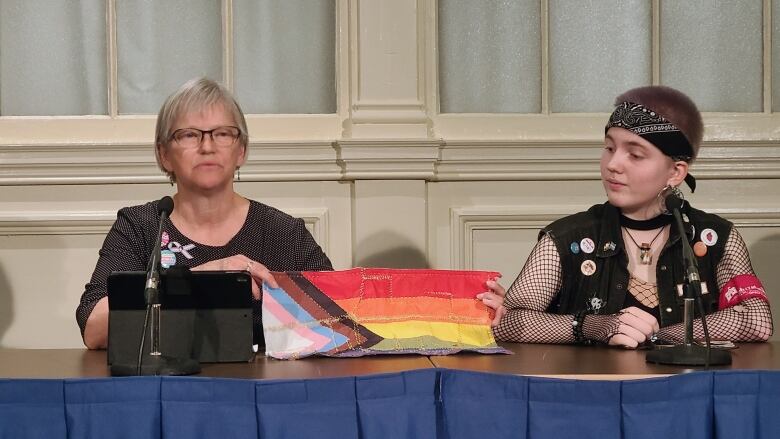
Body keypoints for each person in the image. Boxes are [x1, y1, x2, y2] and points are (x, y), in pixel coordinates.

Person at [478, 86, 772, 348]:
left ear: (675, 172)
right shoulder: (569, 237)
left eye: (635, 154)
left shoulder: (715, 237)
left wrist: (660, 335)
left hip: (687, 397)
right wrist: (594, 327)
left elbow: (757, 321)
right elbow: (506, 321)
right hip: (591, 394)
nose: (613, 164)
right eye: (609, 148)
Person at [77, 77, 333, 349]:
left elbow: (336, 317)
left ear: (242, 150)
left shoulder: (282, 232)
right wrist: (198, 282)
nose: (207, 146)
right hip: (165, 387)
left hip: (262, 387)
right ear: (164, 154)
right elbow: (94, 329)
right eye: (189, 134)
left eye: (222, 134)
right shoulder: (141, 226)